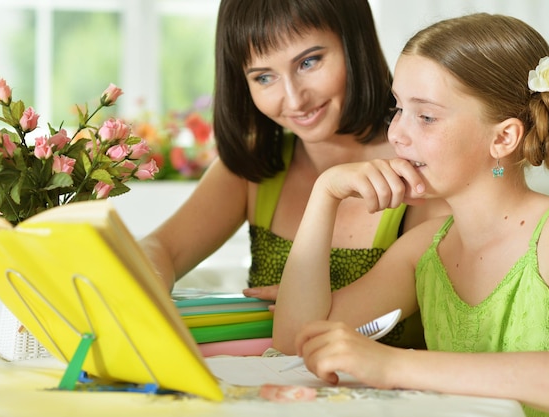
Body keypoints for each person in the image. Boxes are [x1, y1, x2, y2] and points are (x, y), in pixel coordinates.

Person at [272, 13, 549, 417]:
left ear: (504, 138)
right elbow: (293, 340)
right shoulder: (425, 249)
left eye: (425, 116)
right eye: (398, 109)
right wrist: (326, 194)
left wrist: (394, 365)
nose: (396, 135)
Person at [140, 0, 449, 348]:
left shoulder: (422, 175)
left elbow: (306, 333)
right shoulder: (255, 164)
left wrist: (300, 301)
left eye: (309, 62)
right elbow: (160, 249)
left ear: (354, 44)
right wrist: (143, 289)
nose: (294, 99)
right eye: (264, 77)